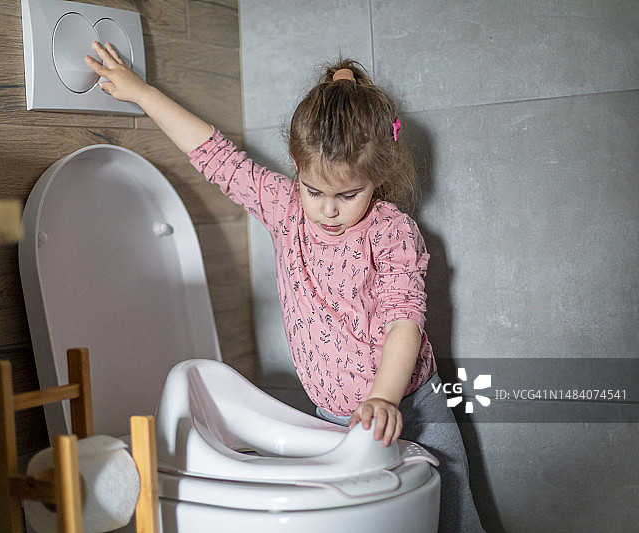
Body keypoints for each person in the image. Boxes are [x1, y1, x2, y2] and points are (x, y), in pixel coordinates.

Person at [86, 42, 484, 532]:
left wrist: (384, 397)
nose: (328, 209)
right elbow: (214, 155)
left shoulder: (391, 230)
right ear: (296, 167)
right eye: (314, 190)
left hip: (411, 402)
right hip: (331, 417)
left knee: (454, 514)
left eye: (347, 194)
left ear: (378, 175)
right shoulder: (283, 206)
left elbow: (405, 318)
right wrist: (142, 94)